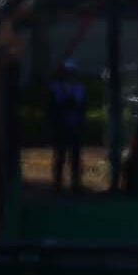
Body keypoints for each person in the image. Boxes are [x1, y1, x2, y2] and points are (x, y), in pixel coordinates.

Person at [47, 63, 88, 194]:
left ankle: (75, 183)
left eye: (70, 72)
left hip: (75, 125)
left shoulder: (79, 88)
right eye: (66, 72)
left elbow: (81, 106)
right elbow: (53, 107)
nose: (68, 75)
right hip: (61, 126)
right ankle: (57, 184)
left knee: (75, 156)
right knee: (60, 155)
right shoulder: (55, 88)